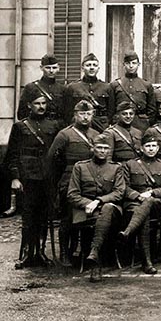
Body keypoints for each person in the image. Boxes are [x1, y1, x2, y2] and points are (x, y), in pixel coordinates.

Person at [7, 93, 61, 268]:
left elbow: (57, 155)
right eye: (37, 103)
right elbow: (12, 155)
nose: (41, 106)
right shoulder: (20, 127)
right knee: (28, 217)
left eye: (44, 103)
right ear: (29, 105)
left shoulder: (53, 125)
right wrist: (15, 178)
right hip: (28, 177)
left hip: (47, 176)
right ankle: (26, 253)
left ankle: (40, 253)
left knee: (44, 216)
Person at [46, 100, 101, 266]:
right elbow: (51, 158)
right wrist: (56, 183)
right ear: (75, 115)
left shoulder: (96, 135)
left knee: (86, 217)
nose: (85, 117)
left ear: (92, 115)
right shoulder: (65, 134)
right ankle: (65, 253)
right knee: (68, 218)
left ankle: (82, 251)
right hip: (69, 179)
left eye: (88, 114)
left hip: (90, 179)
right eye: (81, 114)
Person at [66, 133, 125, 282]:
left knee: (107, 209)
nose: (103, 151)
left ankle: (94, 254)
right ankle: (95, 262)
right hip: (85, 211)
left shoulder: (116, 168)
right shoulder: (80, 167)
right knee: (103, 215)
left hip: (110, 209)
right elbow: (72, 194)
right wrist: (88, 203)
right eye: (99, 147)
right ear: (92, 148)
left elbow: (119, 192)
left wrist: (98, 202)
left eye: (106, 148)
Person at [117, 132, 161, 274]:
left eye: (154, 146)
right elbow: (123, 187)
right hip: (135, 203)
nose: (151, 149)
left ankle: (128, 231)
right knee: (144, 216)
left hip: (158, 204)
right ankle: (147, 262)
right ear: (141, 148)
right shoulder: (130, 164)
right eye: (148, 146)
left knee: (148, 203)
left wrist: (151, 193)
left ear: (158, 148)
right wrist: (137, 196)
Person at [17, 54, 69, 124]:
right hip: (38, 127)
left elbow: (67, 114)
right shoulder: (31, 87)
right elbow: (21, 114)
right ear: (41, 68)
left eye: (54, 68)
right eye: (48, 68)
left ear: (58, 68)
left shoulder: (63, 89)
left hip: (57, 128)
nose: (51, 71)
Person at [67, 53, 113, 130]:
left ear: (98, 68)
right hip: (79, 126)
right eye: (88, 65)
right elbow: (68, 112)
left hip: (101, 126)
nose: (92, 68)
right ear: (82, 68)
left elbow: (111, 111)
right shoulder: (73, 87)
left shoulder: (107, 87)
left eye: (94, 65)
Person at [110, 52, 155, 131]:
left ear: (138, 64)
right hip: (120, 124)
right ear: (123, 65)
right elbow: (111, 109)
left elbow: (152, 110)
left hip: (141, 125)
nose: (131, 66)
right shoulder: (115, 85)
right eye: (128, 63)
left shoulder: (146, 85)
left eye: (134, 63)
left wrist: (147, 122)